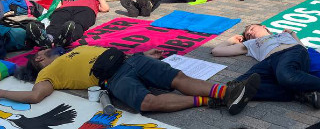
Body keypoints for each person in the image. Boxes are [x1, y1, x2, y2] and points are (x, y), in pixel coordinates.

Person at [5, 45, 260, 115]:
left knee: (177, 78)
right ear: (37, 61)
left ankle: (227, 92)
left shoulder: (73, 50)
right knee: (148, 102)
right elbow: (34, 96)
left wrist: (144, 54)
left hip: (131, 59)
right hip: (113, 78)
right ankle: (208, 99)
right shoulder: (47, 73)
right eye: (40, 53)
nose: (43, 51)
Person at [211, 24, 320, 109]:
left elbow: (303, 49)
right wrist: (230, 40)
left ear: (264, 27)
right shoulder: (251, 44)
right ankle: (300, 93)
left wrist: (292, 34)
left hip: (291, 52)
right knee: (238, 84)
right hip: (268, 62)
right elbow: (216, 51)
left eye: (252, 29)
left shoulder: (283, 34)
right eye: (247, 34)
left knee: (286, 76)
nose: (250, 33)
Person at [25, 0, 110, 48]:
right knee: (56, 22)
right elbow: (55, 8)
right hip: (65, 8)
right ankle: (48, 39)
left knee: (78, 24)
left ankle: (66, 39)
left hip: (86, 9)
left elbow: (105, 8)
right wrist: (62, 0)